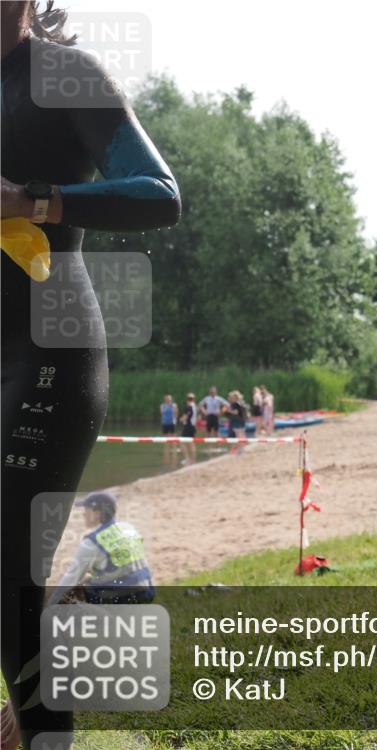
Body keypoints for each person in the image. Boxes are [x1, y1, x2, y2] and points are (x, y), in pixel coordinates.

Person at [1, 3, 180, 745]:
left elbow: (159, 194)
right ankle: (32, 698)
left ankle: (45, 732)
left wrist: (29, 201)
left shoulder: (62, 75)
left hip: (47, 349)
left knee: (7, 565)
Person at [47, 492, 155, 607]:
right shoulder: (128, 528)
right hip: (148, 591)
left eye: (86, 510)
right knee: (89, 577)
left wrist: (50, 605)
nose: (83, 514)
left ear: (97, 513)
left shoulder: (91, 542)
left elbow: (70, 579)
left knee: (73, 591)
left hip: (126, 598)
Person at [159, 393, 179, 467]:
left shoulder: (174, 405)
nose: (168, 400)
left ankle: (174, 450)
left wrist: (175, 420)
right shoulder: (162, 405)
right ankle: (166, 452)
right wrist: (162, 421)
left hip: (172, 423)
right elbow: (162, 414)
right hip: (165, 423)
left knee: (173, 437)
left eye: (169, 399)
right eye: (167, 399)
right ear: (165, 399)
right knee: (165, 438)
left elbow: (176, 413)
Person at [179, 392, 198, 465]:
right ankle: (193, 460)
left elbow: (185, 417)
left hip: (188, 426)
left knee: (182, 442)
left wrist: (181, 419)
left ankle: (187, 459)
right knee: (192, 443)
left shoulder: (188, 407)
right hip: (193, 426)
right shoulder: (194, 406)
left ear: (187, 399)